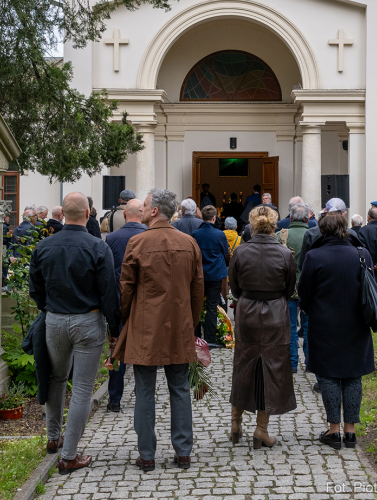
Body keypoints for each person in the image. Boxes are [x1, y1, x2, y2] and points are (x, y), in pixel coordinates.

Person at [29, 192, 120, 474]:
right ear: (89, 212)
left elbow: (35, 290)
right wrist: (115, 329)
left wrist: (50, 308)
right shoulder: (97, 247)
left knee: (56, 380)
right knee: (81, 388)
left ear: (63, 214)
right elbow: (109, 292)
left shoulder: (43, 246)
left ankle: (53, 438)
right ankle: (69, 455)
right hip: (88, 320)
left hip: (55, 319)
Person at [112, 189, 203, 472]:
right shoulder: (189, 243)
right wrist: (192, 320)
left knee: (144, 391)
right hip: (179, 323)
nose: (141, 209)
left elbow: (125, 288)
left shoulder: (137, 243)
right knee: (180, 388)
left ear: (153, 211)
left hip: (145, 324)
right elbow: (198, 288)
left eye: (145, 205)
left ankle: (147, 454)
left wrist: (126, 318)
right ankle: (183, 451)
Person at [298, 211, 375, 451]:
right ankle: (350, 432)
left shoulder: (314, 256)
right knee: (353, 374)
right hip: (357, 322)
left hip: (324, 323)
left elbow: (304, 292)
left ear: (322, 230)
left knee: (329, 375)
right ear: (345, 228)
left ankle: (334, 430)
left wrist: (312, 310)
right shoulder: (362, 254)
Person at [228, 205, 297, 449]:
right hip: (275, 314)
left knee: (243, 364)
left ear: (251, 225)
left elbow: (234, 288)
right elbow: (290, 289)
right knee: (272, 368)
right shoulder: (284, 253)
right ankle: (261, 429)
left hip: (247, 311)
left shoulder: (241, 251)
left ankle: (236, 424)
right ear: (274, 226)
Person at [104, 198, 148, 413]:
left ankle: (114, 399)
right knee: (144, 350)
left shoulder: (112, 238)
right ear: (143, 213)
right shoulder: (149, 235)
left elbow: (107, 272)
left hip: (119, 300)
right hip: (145, 301)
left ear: (124, 215)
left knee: (117, 349)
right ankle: (143, 397)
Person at [191, 206, 232, 348]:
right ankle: (210, 339)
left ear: (202, 217)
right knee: (212, 306)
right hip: (215, 274)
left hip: (199, 274)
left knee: (196, 305)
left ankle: (196, 338)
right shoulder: (219, 234)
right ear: (214, 218)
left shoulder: (195, 234)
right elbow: (225, 251)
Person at [282, 203, 312, 371]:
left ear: (291, 217)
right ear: (308, 218)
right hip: (310, 288)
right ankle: (310, 363)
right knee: (308, 327)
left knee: (290, 326)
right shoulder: (315, 235)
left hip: (288, 287)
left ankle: (292, 363)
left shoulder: (282, 235)